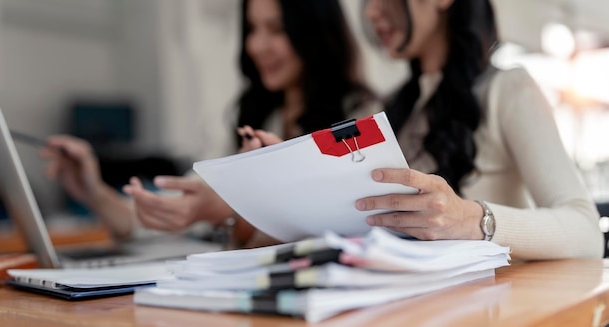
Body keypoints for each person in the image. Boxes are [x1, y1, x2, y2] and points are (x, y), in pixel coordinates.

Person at [42, 0, 380, 243]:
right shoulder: (257, 117)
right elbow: (158, 216)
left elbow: (350, 228)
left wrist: (228, 210)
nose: (257, 45)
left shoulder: (360, 116)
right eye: (251, 28)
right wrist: (92, 191)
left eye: (276, 29)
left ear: (314, 34)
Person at [350, 0, 603, 260]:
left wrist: (471, 219)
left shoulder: (508, 90)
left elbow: (586, 233)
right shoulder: (392, 111)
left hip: (503, 299)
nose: (371, 12)